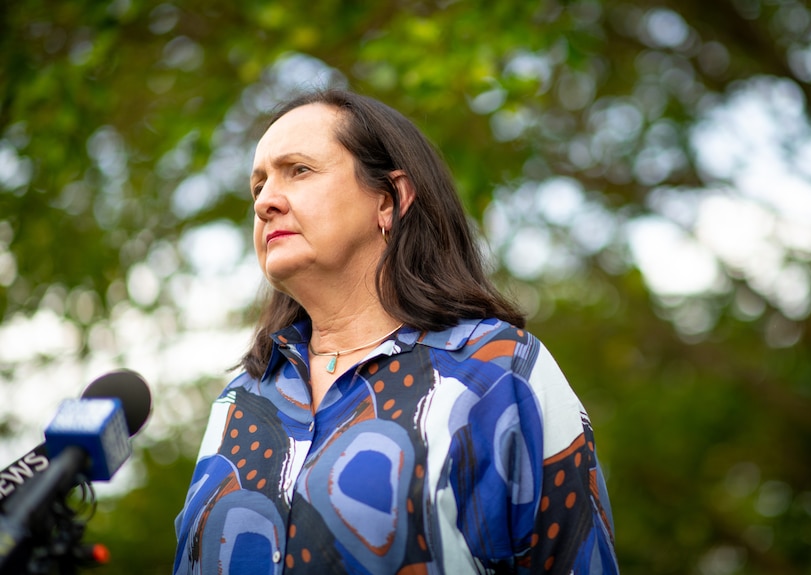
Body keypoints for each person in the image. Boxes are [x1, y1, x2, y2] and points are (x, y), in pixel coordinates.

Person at [173, 89, 618, 574]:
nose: (265, 204)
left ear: (389, 199)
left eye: (298, 170)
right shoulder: (241, 399)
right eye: (257, 186)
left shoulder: (499, 370)